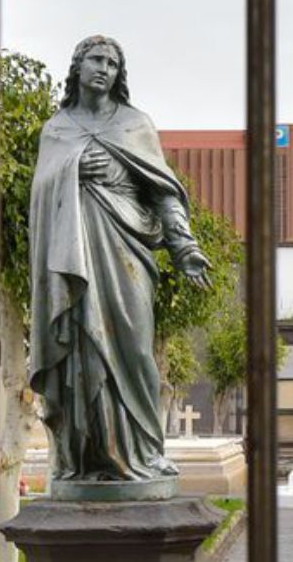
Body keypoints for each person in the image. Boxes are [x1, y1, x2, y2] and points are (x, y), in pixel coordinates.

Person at [29, 35, 210, 489]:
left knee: (133, 349)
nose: (103, 69)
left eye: (112, 63)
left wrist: (185, 247)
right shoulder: (57, 129)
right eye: (95, 59)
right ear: (77, 66)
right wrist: (69, 170)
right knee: (82, 354)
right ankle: (86, 459)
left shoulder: (136, 124)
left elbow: (163, 192)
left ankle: (144, 452)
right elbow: (39, 195)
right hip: (73, 259)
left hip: (126, 251)